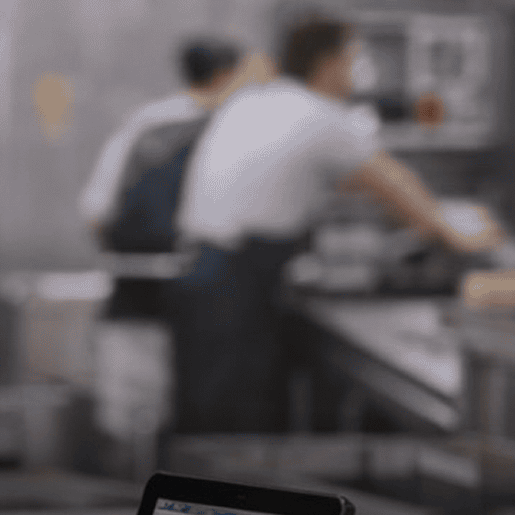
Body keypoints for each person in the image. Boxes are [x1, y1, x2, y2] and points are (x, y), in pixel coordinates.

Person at [168, 13, 501, 433]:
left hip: (202, 273)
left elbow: (350, 183)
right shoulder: (322, 116)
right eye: (356, 57)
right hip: (235, 284)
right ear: (329, 63)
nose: (363, 71)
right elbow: (397, 188)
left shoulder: (257, 100)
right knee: (233, 428)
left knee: (206, 423)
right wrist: (465, 234)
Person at [79, 37, 251, 320]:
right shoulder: (232, 126)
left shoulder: (147, 120)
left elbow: (96, 207)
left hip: (135, 277)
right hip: (206, 285)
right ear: (226, 73)